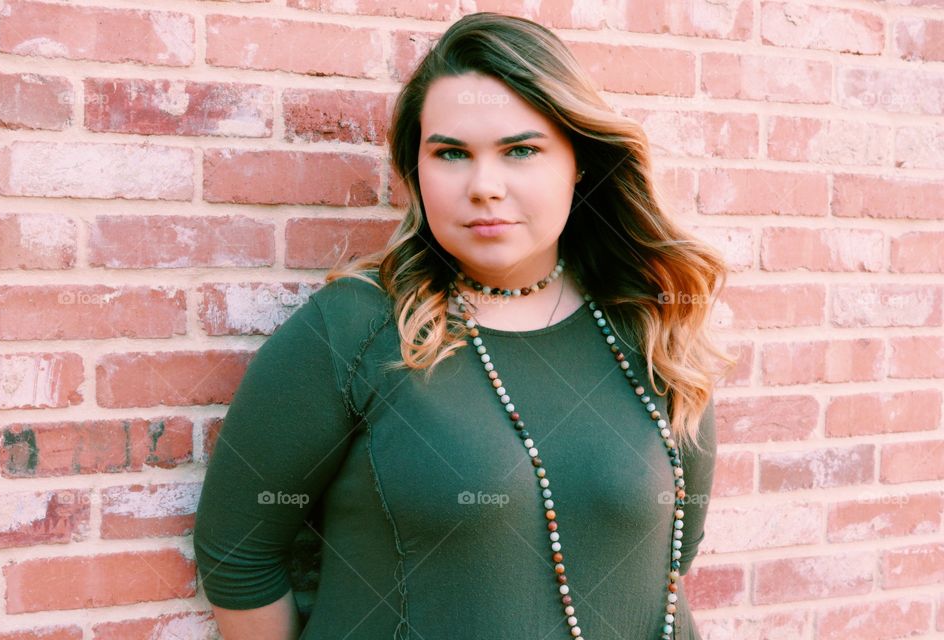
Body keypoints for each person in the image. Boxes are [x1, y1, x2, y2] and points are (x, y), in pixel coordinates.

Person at [193, 11, 736, 640]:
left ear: (579, 162)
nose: (484, 187)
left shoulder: (652, 329)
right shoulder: (355, 328)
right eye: (451, 153)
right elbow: (238, 553)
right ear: (416, 171)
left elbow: (672, 556)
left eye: (521, 151)